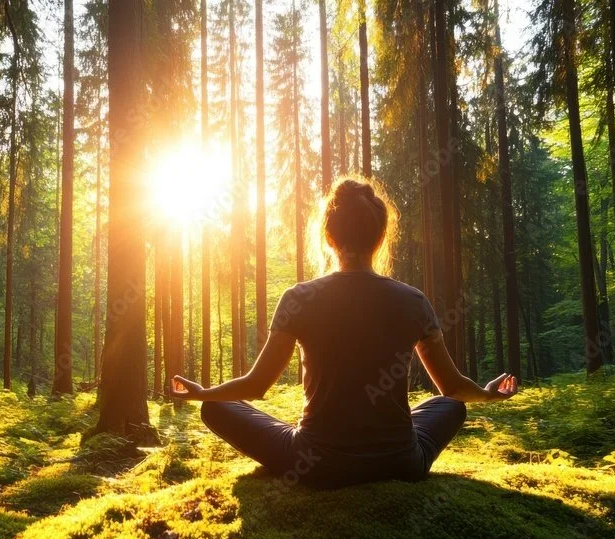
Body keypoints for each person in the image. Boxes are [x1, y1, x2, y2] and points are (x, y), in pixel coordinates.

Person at [169, 177, 518, 488]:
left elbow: (257, 386)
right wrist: (487, 394)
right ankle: (390, 446)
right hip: (401, 462)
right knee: (452, 406)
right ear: (381, 237)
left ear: (329, 236)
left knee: (215, 409)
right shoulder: (413, 301)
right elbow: (453, 388)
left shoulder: (299, 298)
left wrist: (204, 393)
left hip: (316, 464)